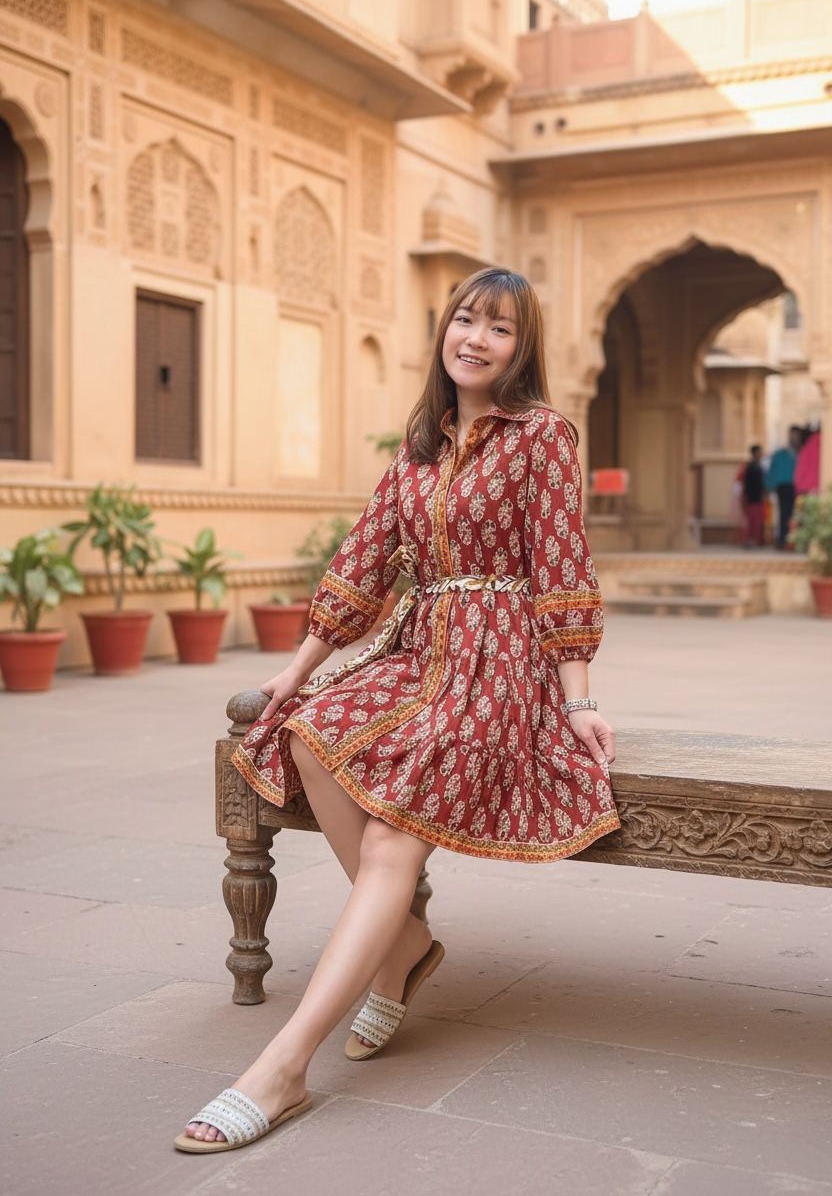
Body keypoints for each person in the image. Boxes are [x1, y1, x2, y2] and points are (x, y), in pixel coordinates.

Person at [175, 267, 619, 1154]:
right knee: (309, 735)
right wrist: (296, 671)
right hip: (420, 650)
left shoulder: (541, 436)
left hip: (500, 665)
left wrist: (579, 700)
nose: (477, 339)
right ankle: (405, 940)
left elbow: (562, 563)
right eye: (466, 320)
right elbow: (363, 561)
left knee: (389, 839)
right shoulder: (420, 445)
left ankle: (284, 1066)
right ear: (444, 330)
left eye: (500, 328)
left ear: (521, 347)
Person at [766, 425, 803, 548]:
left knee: (798, 514)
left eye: (797, 436)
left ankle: (795, 540)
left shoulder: (802, 452)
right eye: (793, 435)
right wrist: (769, 485)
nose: (795, 438)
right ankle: (783, 539)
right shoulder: (781, 454)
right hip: (784, 486)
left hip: (798, 487)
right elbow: (773, 470)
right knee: (784, 514)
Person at [741, 444, 766, 547]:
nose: (761, 454)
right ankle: (750, 539)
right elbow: (748, 484)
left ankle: (754, 539)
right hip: (753, 498)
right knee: (752, 520)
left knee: (756, 520)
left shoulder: (757, 466)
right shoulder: (752, 467)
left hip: (756, 497)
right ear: (755, 453)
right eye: (760, 452)